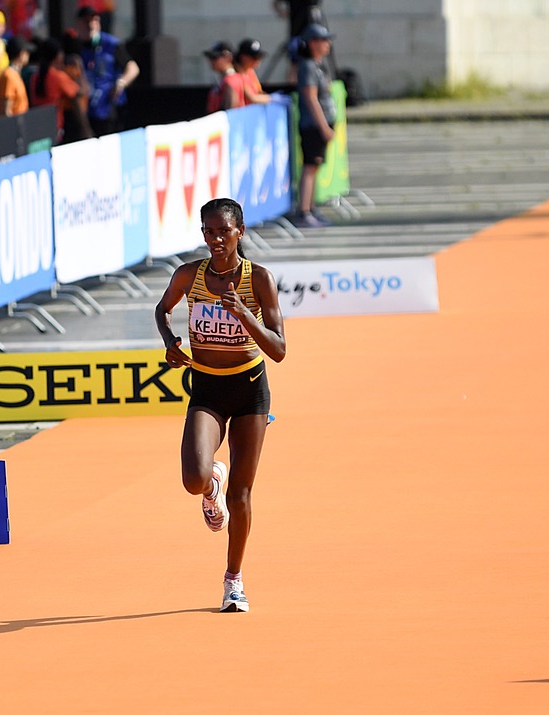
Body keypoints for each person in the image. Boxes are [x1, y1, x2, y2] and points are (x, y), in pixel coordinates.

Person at [153, 197, 287, 614]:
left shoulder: (258, 278)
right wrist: (170, 343)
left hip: (250, 391)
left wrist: (246, 314)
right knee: (193, 478)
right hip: (207, 389)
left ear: (239, 232)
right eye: (208, 232)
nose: (216, 239)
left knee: (241, 496)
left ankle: (234, 581)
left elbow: (279, 350)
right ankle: (212, 485)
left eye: (224, 231)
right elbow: (163, 309)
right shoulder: (188, 275)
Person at [292, 22, 336, 229]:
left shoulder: (318, 65)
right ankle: (304, 211)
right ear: (312, 43)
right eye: (323, 40)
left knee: (315, 167)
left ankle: (311, 206)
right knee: (310, 167)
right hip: (313, 125)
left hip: (320, 124)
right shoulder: (308, 66)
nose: (327, 44)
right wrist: (323, 127)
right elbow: (311, 98)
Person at [68, 5, 135, 136]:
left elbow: (132, 68)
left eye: (95, 21)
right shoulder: (74, 46)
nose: (91, 25)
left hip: (109, 108)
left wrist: (121, 82)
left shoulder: (111, 44)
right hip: (85, 111)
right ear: (78, 24)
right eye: (86, 21)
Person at [203, 41, 244, 113]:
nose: (211, 61)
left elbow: (230, 111)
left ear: (228, 57)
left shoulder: (231, 80)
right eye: (210, 58)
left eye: (214, 58)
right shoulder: (224, 79)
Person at [0, 35, 28, 116]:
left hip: (21, 122)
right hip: (14, 123)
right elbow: (6, 111)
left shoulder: (15, 74)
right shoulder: (9, 75)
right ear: (21, 54)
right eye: (27, 52)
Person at [235, 38, 270, 105]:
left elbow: (259, 92)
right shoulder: (235, 74)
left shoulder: (250, 71)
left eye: (260, 57)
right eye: (255, 57)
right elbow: (252, 98)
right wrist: (271, 98)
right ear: (243, 57)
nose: (258, 60)